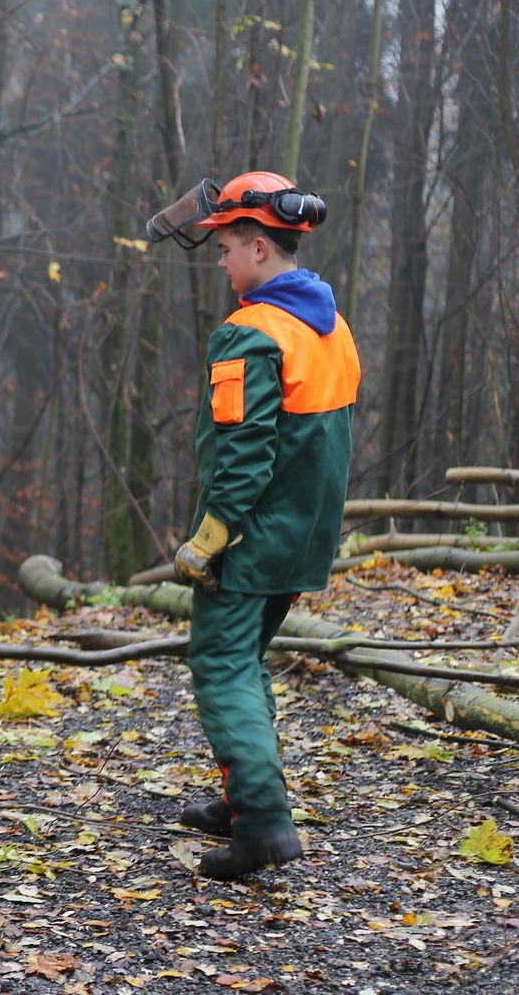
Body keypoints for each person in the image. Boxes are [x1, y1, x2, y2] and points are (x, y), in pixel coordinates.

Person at [148, 171, 361, 880]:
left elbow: (243, 455)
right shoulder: (329, 325)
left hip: (253, 535)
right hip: (305, 534)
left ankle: (265, 825)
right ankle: (247, 798)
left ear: (261, 249)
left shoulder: (250, 334)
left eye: (228, 247)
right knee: (247, 661)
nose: (221, 260)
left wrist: (211, 536)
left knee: (219, 663)